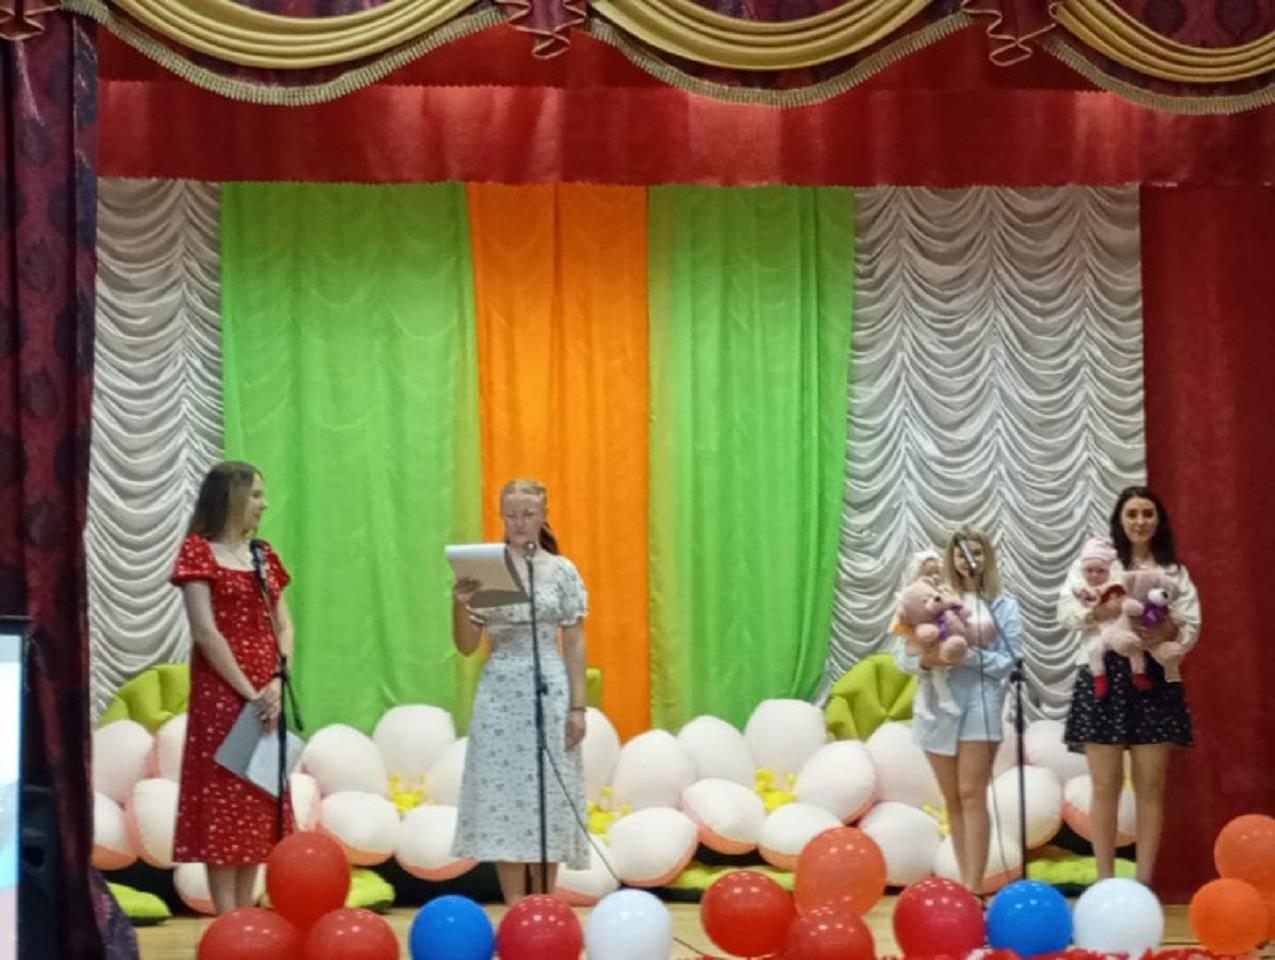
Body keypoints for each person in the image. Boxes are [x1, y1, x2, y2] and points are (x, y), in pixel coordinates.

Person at [450, 479, 590, 903]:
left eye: (529, 514)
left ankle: (545, 902)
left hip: (549, 685)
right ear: (501, 515)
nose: (520, 522)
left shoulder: (561, 571)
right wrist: (459, 602)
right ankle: (515, 905)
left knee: (549, 794)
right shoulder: (484, 568)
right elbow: (467, 645)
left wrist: (578, 707)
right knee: (505, 795)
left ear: (544, 515)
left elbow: (574, 641)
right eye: (511, 514)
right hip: (501, 689)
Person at [170, 461, 294, 914]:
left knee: (257, 800)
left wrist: (276, 679)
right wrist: (249, 691)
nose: (264, 503)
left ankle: (248, 912)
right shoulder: (198, 552)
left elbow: (284, 625)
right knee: (224, 803)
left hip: (267, 693)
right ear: (231, 497)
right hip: (223, 695)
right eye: (256, 494)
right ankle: (228, 919)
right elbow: (206, 632)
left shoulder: (263, 555)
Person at [1059, 486, 1199, 885]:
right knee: (1104, 786)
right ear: (1120, 520)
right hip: (1103, 676)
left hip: (1153, 678)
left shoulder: (1174, 571)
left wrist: (1169, 633)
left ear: (1158, 520)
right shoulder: (1097, 561)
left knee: (1150, 787)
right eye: (1132, 514)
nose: (1140, 521)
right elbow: (1066, 611)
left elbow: (1191, 621)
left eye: (1147, 514)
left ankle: (1144, 883)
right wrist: (1103, 610)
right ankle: (1104, 882)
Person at [892, 528, 1024, 895]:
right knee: (952, 797)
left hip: (982, 701)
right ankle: (965, 883)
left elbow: (1010, 660)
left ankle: (974, 887)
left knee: (972, 793)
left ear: (988, 558)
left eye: (977, 553)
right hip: (937, 705)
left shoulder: (1003, 605)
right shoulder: (932, 598)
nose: (969, 560)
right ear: (951, 558)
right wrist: (928, 659)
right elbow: (904, 655)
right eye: (961, 553)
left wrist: (966, 656)